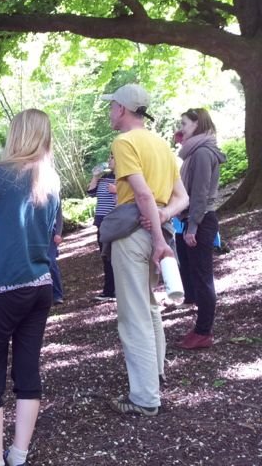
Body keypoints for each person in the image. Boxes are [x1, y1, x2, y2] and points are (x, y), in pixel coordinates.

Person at [0, 109, 60, 466]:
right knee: (27, 367)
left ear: (15, 134)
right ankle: (18, 454)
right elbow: (52, 234)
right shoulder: (51, 179)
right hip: (40, 287)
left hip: (1, 288)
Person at [100, 84, 188, 417]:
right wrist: (163, 222)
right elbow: (183, 198)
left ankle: (145, 398)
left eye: (112, 107)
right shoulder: (162, 145)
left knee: (134, 314)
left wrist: (159, 242)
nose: (110, 112)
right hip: (158, 230)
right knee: (150, 307)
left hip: (135, 235)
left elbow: (143, 196)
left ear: (122, 109)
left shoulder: (124, 142)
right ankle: (156, 376)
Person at [174, 108, 226, 349]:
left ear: (197, 124)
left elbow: (201, 194)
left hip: (201, 220)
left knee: (204, 279)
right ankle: (200, 328)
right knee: (196, 275)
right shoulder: (194, 152)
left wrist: (192, 226)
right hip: (194, 220)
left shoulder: (203, 152)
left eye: (184, 123)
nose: (181, 127)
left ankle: (204, 332)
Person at [87, 154, 117, 301]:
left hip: (117, 223)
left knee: (117, 257)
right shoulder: (104, 178)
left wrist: (117, 190)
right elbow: (91, 193)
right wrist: (95, 176)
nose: (109, 160)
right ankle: (109, 290)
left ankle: (116, 290)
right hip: (101, 223)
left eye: (112, 158)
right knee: (106, 257)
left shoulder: (125, 178)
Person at [48, 202, 64, 304]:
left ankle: (57, 294)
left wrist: (58, 232)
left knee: (51, 262)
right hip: (35, 233)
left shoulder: (52, 188)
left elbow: (58, 213)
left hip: (51, 232)